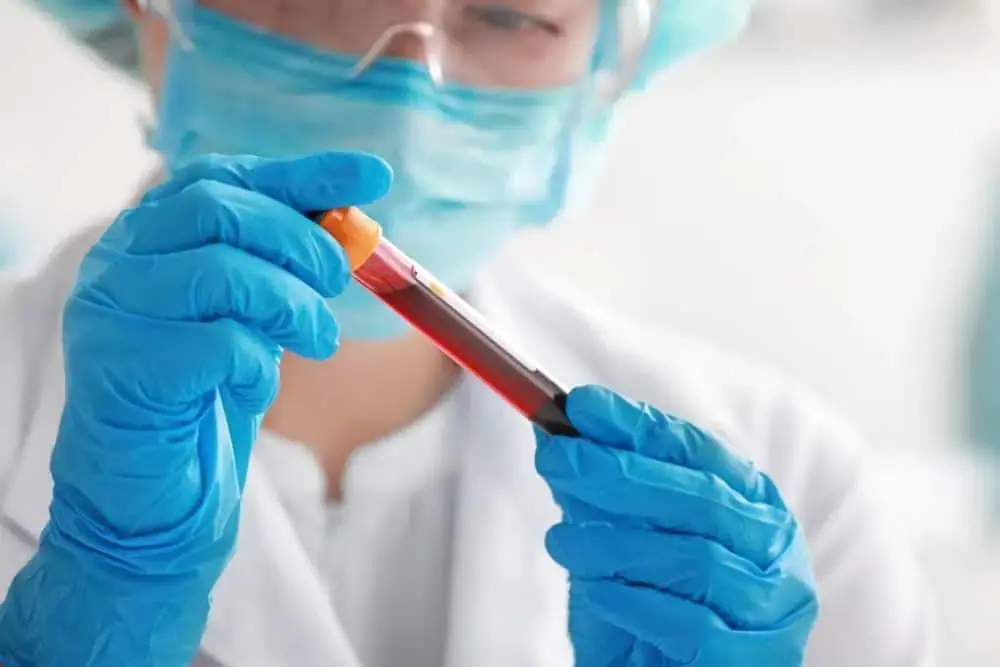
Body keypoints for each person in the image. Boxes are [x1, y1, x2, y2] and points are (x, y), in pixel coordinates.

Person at [0, 1, 934, 666]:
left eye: (512, 15)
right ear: (148, 12)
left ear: (609, 64)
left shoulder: (788, 487)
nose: (410, 79)